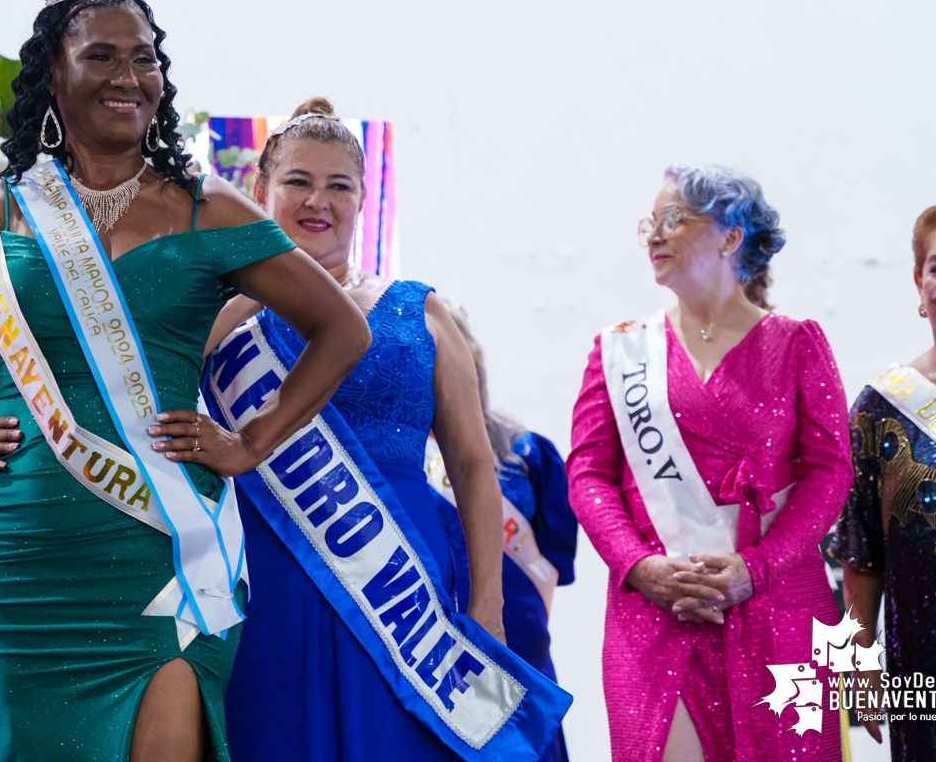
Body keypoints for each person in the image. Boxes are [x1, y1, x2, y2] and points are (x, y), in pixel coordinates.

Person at [0, 0, 370, 762]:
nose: (129, 75)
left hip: (166, 544)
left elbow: (342, 330)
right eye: (102, 56)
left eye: (144, 58)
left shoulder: (207, 208)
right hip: (26, 543)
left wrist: (251, 441)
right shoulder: (0, 212)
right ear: (53, 72)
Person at [203, 99, 568, 761]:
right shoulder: (218, 318)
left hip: (406, 598)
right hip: (267, 582)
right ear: (261, 192)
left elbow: (471, 463)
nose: (319, 200)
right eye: (298, 182)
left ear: (363, 198)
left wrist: (486, 608)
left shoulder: (419, 310)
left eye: (339, 185)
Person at [567, 165, 851, 762]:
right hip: (656, 608)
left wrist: (759, 567)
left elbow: (831, 472)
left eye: (674, 219)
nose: (653, 235)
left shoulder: (797, 342)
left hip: (777, 605)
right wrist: (638, 566)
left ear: (730, 237)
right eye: (649, 222)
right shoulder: (619, 349)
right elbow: (588, 473)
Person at [834, 203, 936, 760]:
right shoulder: (881, 407)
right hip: (932, 679)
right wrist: (858, 663)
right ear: (918, 282)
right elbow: (860, 554)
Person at [431, 298, 577, 762]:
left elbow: (552, 564)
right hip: (423, 638)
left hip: (516, 640)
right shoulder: (389, 461)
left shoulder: (527, 453)